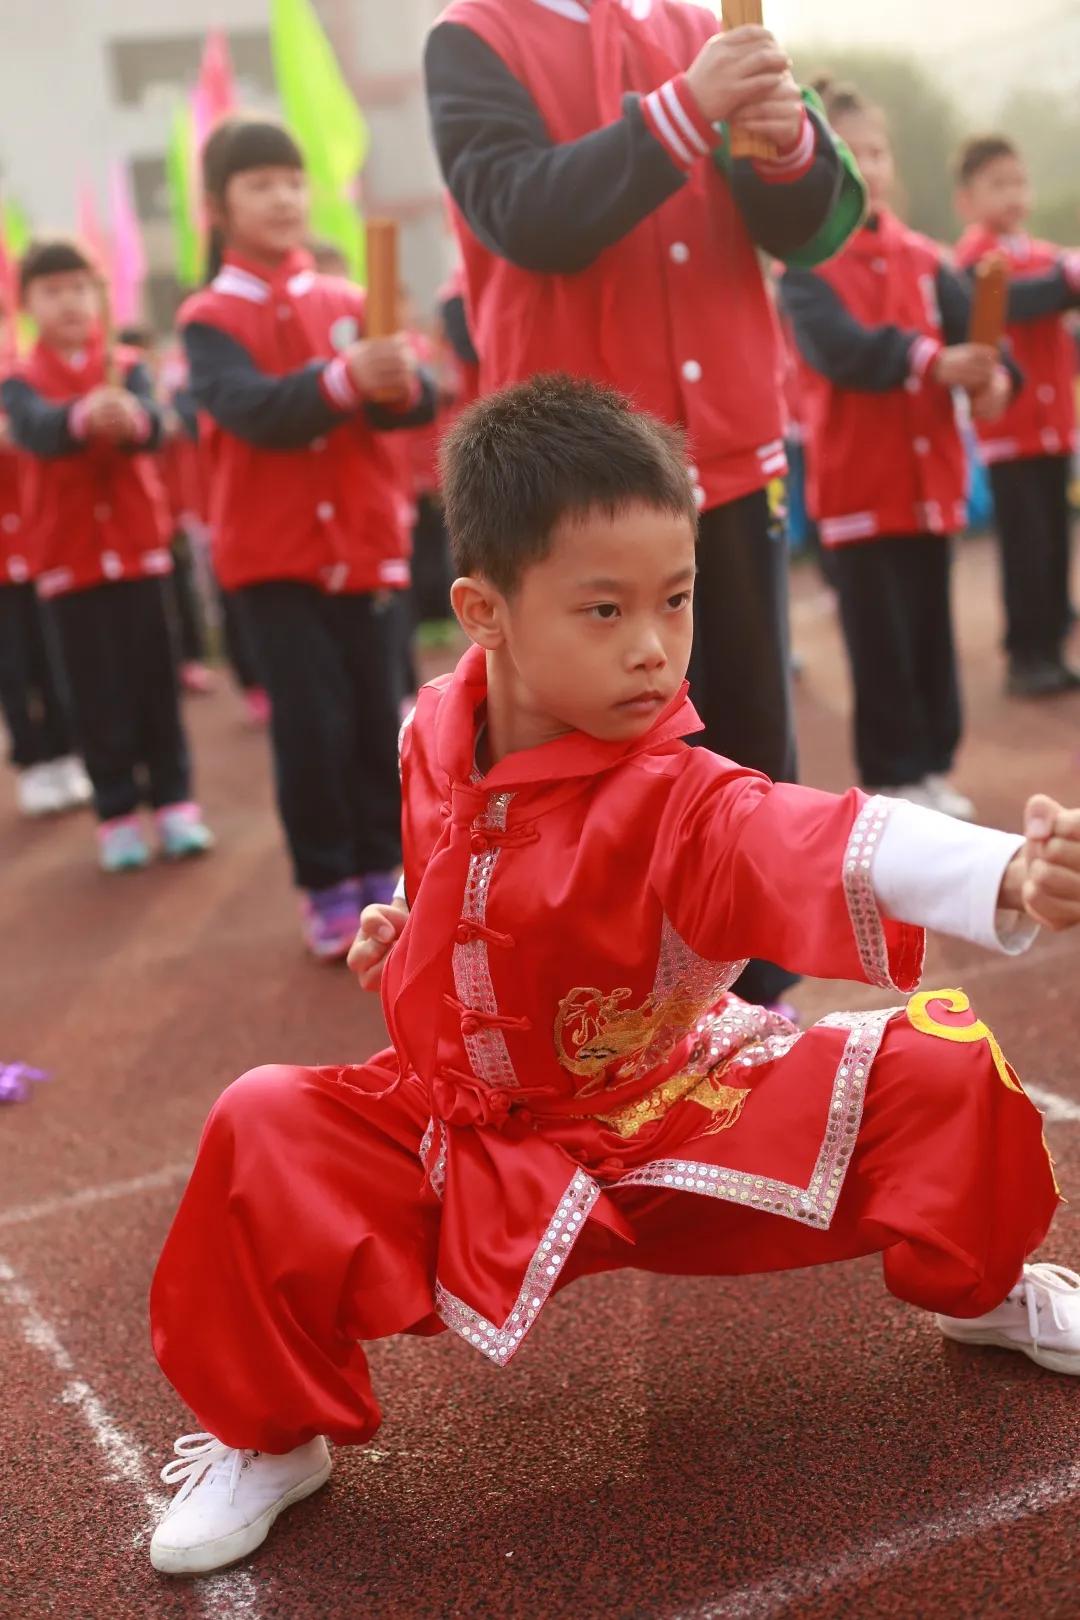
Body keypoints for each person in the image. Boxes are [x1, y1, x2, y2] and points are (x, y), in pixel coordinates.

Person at [148, 375, 1077, 1578]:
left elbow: (821, 833)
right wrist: (408, 928)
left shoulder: (681, 795)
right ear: (482, 612)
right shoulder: (429, 728)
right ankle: (272, 1435)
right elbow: (459, 870)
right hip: (455, 1135)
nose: (653, 648)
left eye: (675, 600)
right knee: (261, 1120)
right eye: (604, 609)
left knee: (945, 1073)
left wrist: (1011, 870)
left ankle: (987, 1289)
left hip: (674, 1111)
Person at [423, 0, 866, 1013]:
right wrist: (686, 108)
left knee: (748, 741)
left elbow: (818, 226)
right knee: (592, 759)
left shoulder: (699, 24)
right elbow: (523, 213)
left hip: (728, 454)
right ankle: (597, 1021)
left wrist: (791, 143)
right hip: (574, 489)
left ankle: (757, 1003)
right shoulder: (473, 36)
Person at [180, 117, 435, 960]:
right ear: (219, 205)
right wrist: (344, 379)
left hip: (365, 547)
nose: (284, 197)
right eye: (260, 184)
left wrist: (401, 385)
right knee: (312, 729)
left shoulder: (353, 300)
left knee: (377, 722)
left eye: (292, 181)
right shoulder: (208, 318)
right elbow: (250, 409)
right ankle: (327, 884)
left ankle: (383, 873)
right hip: (275, 561)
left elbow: (409, 403)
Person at [781, 82, 1016, 820]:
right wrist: (930, 360)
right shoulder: (804, 268)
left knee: (930, 632)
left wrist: (996, 381)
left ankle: (934, 765)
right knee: (879, 641)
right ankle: (893, 775)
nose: (869, 167)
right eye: (848, 153)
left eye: (877, 152)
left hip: (931, 485)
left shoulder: (927, 258)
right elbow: (842, 351)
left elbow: (984, 343)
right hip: (859, 489)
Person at [0, 240, 212, 870]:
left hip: (140, 552)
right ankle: (116, 811)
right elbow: (35, 429)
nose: (68, 303)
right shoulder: (19, 380)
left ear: (98, 297)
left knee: (155, 684)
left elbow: (155, 425)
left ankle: (175, 803)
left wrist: (134, 421)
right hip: (69, 563)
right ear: (27, 304)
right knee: (92, 694)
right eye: (51, 292)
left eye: (78, 289)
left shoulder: (127, 364)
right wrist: (83, 417)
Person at [953, 134, 1080, 698]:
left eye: (1019, 182)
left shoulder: (1045, 255)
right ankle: (1026, 655)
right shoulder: (975, 256)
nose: (1012, 194)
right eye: (997, 184)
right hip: (1010, 432)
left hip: (1055, 430)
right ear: (968, 199)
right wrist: (1067, 279)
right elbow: (1016, 301)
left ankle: (1051, 645)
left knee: (1055, 544)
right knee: (1025, 548)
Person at [0, 320, 90, 818]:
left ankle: (65, 752)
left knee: (54, 661)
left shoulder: (22, 381)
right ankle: (32, 762)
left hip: (40, 551)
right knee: (11, 668)